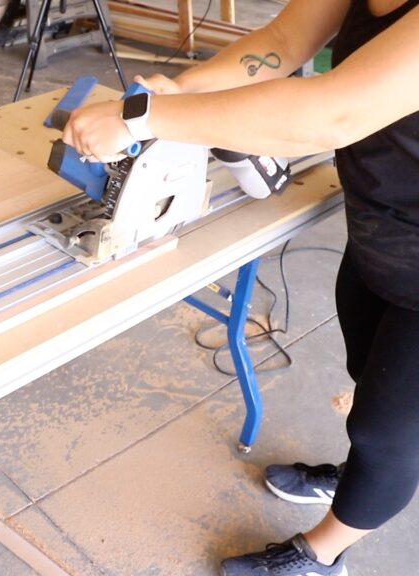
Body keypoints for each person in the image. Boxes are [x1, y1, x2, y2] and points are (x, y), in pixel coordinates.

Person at [63, 0, 419, 574]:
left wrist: (142, 117)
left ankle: (324, 554)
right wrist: (182, 92)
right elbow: (282, 39)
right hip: (386, 223)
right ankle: (358, 478)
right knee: (372, 375)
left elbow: (337, 112)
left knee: (388, 431)